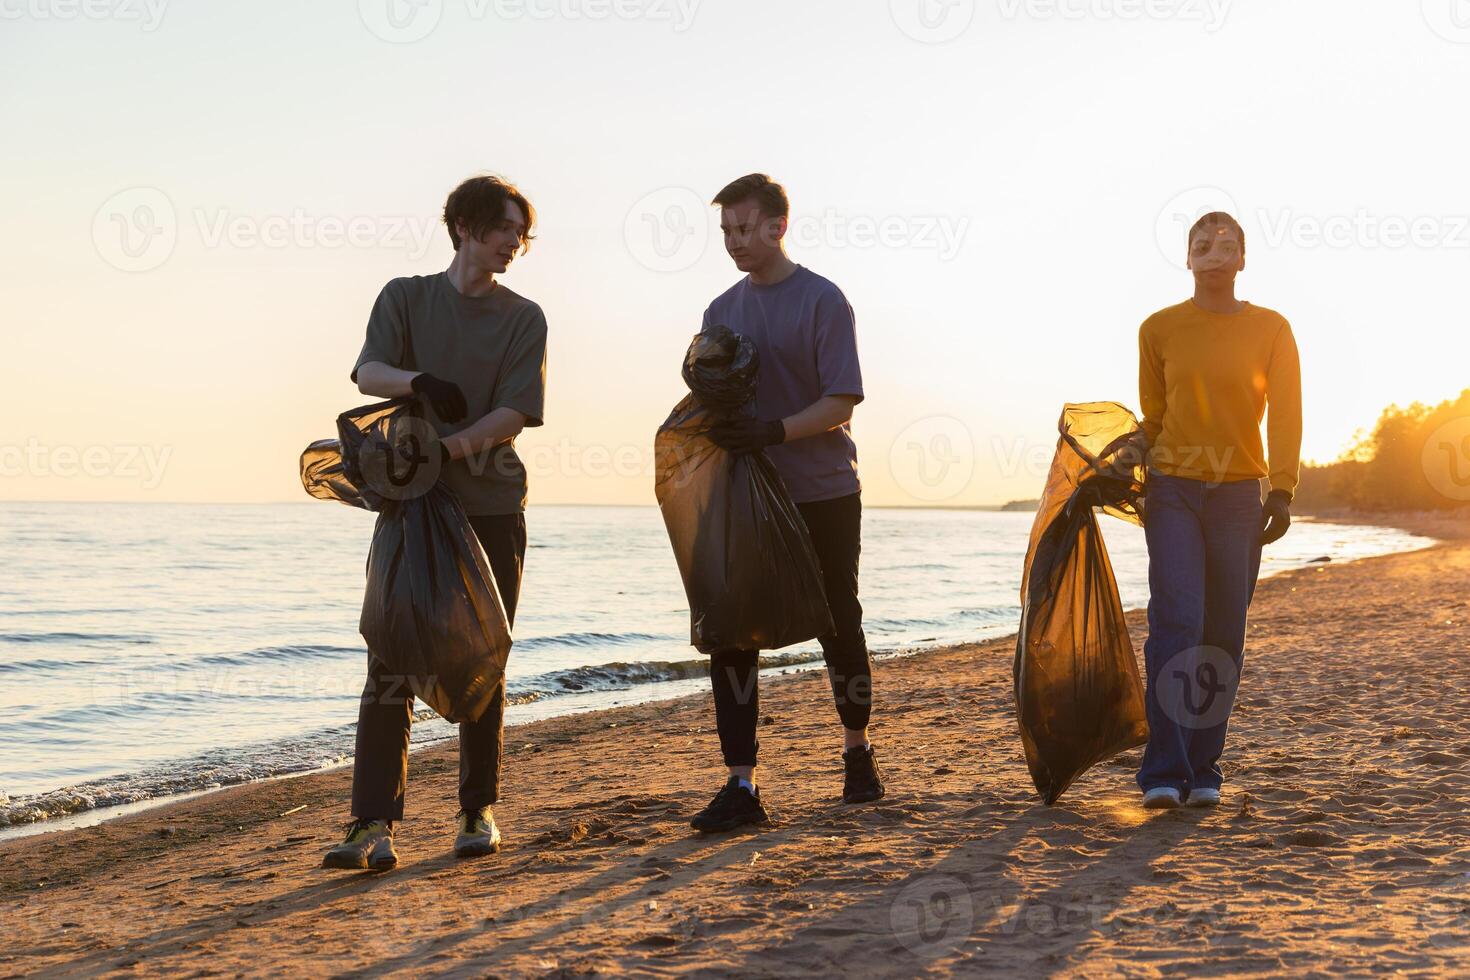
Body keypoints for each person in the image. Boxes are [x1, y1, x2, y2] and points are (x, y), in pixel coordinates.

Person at [323, 175, 548, 870]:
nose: (515, 243)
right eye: (504, 228)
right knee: (389, 656)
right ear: (463, 228)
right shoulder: (406, 297)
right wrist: (417, 384)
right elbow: (368, 371)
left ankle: (477, 810)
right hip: (411, 508)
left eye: (521, 232)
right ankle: (372, 825)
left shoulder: (524, 317)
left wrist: (445, 448)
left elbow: (514, 413)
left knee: (482, 653)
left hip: (489, 506)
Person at [688, 173, 883, 834]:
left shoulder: (823, 301)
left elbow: (841, 400)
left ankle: (858, 753)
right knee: (731, 633)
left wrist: (775, 429)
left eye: (744, 229)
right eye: (725, 232)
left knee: (839, 622)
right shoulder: (720, 310)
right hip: (747, 496)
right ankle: (741, 782)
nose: (734, 242)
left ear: (778, 226)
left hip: (824, 490)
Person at [1135, 211, 1302, 811]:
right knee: (1177, 620)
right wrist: (1129, 462)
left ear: (1241, 259)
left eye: (1226, 243)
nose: (1213, 250)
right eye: (1201, 244)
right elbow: (1153, 420)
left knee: (1225, 630)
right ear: (1187, 259)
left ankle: (1205, 766)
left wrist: (1281, 488)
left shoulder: (1272, 328)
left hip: (1237, 494)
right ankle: (1164, 769)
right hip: (1173, 488)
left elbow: (1285, 411)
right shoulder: (1158, 328)